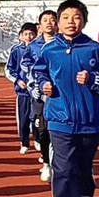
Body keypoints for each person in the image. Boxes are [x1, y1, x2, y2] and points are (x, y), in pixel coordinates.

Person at [32, 0, 99, 197]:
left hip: (89, 122)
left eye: (77, 17)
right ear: (58, 22)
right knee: (63, 171)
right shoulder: (48, 50)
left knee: (83, 170)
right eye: (66, 17)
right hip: (59, 121)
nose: (71, 22)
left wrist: (93, 78)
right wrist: (43, 86)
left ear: (84, 20)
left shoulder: (95, 49)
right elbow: (37, 75)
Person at [22, 10, 58, 182]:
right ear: (40, 26)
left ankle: (58, 163)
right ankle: (46, 163)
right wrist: (33, 84)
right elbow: (26, 65)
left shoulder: (64, 43)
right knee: (42, 131)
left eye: (53, 20)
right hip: (41, 95)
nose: (49, 23)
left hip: (59, 94)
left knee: (58, 131)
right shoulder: (33, 46)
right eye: (45, 20)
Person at [5, 23, 37, 154]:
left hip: (37, 92)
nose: (29, 37)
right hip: (22, 92)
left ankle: (39, 140)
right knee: (23, 119)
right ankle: (24, 142)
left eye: (31, 34)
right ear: (21, 36)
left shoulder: (41, 49)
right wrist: (18, 81)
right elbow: (8, 69)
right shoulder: (16, 50)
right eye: (26, 34)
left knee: (37, 118)